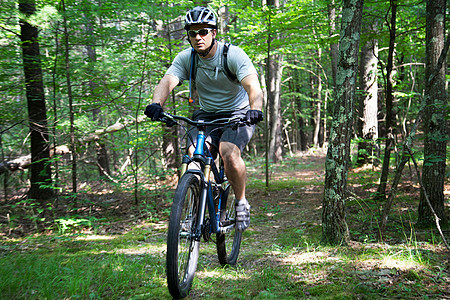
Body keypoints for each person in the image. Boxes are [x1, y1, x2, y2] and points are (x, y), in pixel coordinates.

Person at [144, 6, 263, 232]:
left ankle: (241, 202)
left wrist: (254, 109)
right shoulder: (187, 58)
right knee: (194, 156)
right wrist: (156, 104)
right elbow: (168, 80)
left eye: (204, 31)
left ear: (214, 33)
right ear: (188, 36)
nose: (198, 37)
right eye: (192, 33)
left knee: (228, 151)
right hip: (206, 115)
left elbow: (253, 86)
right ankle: (195, 209)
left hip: (237, 113)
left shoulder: (233, 55)